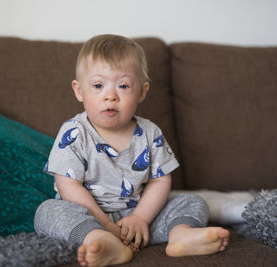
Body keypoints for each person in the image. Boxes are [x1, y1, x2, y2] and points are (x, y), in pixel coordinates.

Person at [34, 34, 230, 267]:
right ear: (79, 91)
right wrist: (104, 224)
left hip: (139, 221)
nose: (110, 96)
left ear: (142, 92)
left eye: (123, 86)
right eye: (98, 86)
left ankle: (181, 235)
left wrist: (140, 218)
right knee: (47, 211)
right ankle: (101, 241)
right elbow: (68, 184)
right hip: (88, 218)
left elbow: (160, 180)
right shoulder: (74, 132)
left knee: (191, 201)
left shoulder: (149, 132)